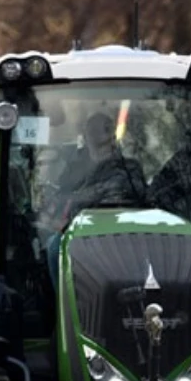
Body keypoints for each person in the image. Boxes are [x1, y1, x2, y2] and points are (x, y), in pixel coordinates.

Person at [45, 112, 147, 290]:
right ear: (86, 135)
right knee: (55, 247)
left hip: (128, 229)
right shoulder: (74, 169)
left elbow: (141, 197)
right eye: (95, 130)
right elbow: (61, 198)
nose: (103, 134)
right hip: (81, 230)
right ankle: (61, 308)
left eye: (107, 129)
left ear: (113, 135)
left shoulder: (129, 167)